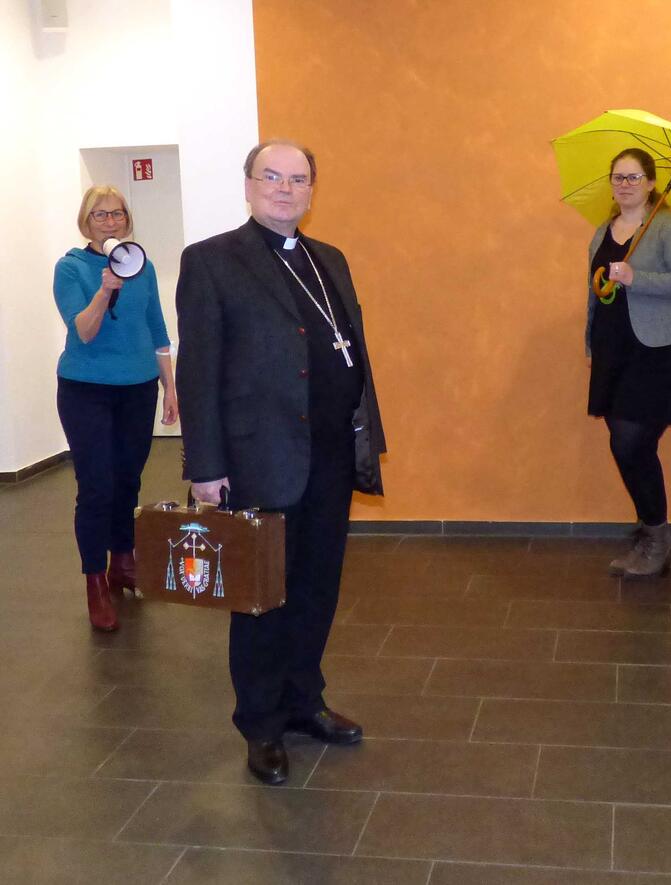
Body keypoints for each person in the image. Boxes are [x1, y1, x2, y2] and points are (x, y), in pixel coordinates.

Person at [175, 139, 386, 786]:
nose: (286, 188)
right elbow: (199, 368)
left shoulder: (330, 259)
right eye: (273, 176)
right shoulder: (212, 260)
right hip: (257, 457)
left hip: (328, 454)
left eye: (299, 179)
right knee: (263, 595)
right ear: (248, 183)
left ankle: (304, 701)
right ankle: (261, 723)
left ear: (312, 191)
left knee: (318, 586)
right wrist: (205, 466)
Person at [53, 185, 178, 633]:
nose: (110, 222)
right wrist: (104, 290)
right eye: (101, 215)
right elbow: (83, 331)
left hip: (138, 387)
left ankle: (123, 562)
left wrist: (170, 386)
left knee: (128, 479)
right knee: (96, 487)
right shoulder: (70, 268)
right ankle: (95, 582)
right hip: (86, 389)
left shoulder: (140, 265)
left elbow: (157, 329)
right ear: (86, 221)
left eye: (117, 214)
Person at [587, 148, 671, 578]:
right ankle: (649, 528)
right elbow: (594, 291)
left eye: (634, 177)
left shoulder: (669, 226)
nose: (625, 185)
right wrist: (591, 343)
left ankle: (657, 539)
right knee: (627, 443)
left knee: (631, 443)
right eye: (618, 177)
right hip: (613, 350)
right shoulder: (602, 230)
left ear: (652, 183)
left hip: (661, 351)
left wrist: (637, 278)